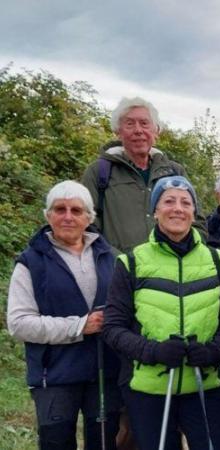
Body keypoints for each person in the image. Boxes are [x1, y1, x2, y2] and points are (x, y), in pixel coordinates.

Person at [102, 176, 220, 450]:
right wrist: (153, 351)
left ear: (193, 212)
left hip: (205, 384)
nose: (178, 208)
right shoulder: (131, 262)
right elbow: (113, 328)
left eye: (186, 202)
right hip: (150, 388)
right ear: (155, 211)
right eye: (169, 201)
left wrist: (214, 350)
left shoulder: (217, 261)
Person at [7, 180, 121, 450]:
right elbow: (19, 323)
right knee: (55, 443)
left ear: (89, 217)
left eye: (76, 210)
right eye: (60, 209)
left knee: (104, 444)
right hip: (54, 374)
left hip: (105, 372)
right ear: (48, 215)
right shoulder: (30, 262)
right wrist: (80, 326)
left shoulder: (111, 258)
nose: (68, 216)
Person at [82, 96, 203, 253]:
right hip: (119, 271)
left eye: (144, 123)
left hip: (170, 272)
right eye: (130, 124)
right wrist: (119, 262)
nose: (138, 130)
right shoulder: (99, 172)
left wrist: (182, 255)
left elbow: (197, 220)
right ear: (118, 132)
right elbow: (85, 225)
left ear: (156, 131)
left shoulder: (174, 172)